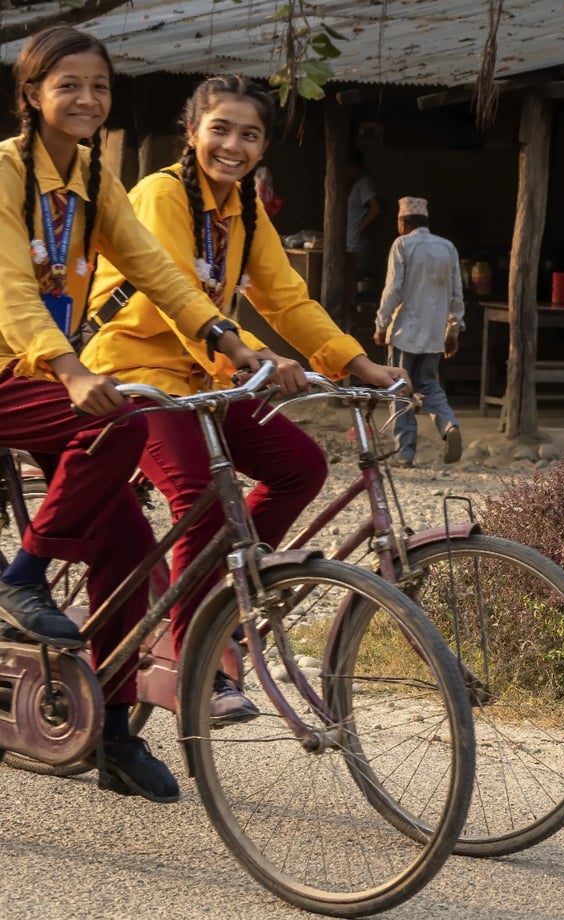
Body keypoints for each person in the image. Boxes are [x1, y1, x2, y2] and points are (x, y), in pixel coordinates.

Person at [83, 74, 409, 724]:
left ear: (265, 145)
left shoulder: (246, 208)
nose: (234, 145)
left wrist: (355, 361)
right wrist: (245, 354)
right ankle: (193, 655)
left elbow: (285, 297)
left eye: (249, 134)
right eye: (221, 129)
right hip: (136, 377)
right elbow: (178, 291)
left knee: (301, 466)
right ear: (193, 131)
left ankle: (222, 602)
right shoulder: (161, 194)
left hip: (206, 380)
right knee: (198, 492)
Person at [0, 26, 268, 803]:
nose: (87, 99)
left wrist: (223, 335)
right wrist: (70, 365)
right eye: (69, 85)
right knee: (120, 424)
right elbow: (13, 289)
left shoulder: (92, 175)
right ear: (33, 95)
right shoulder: (9, 172)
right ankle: (25, 577)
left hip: (49, 377)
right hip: (23, 368)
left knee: (130, 550)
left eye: (100, 87)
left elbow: (157, 269)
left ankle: (113, 734)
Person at [374, 197, 464, 467]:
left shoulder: (402, 245)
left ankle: (405, 453)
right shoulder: (448, 247)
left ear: (405, 222)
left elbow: (393, 289)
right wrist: (454, 329)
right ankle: (448, 426)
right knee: (428, 386)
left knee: (400, 389)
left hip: (405, 333)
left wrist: (381, 323)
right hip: (434, 333)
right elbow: (456, 293)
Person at [346, 147, 381, 295]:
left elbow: (376, 208)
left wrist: (361, 229)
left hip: (357, 245)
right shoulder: (357, 185)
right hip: (353, 243)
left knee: (356, 286)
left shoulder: (363, 183)